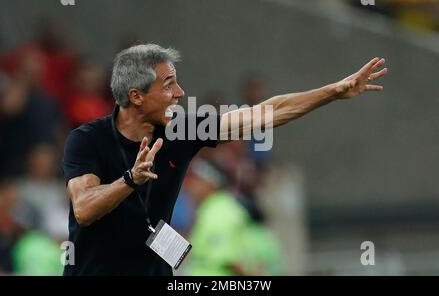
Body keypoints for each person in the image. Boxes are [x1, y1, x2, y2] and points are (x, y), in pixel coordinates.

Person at [62, 43, 387, 276]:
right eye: (169, 85)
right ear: (136, 96)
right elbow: (84, 209)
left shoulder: (183, 129)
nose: (180, 92)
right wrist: (130, 180)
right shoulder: (87, 140)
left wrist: (333, 92)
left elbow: (266, 113)